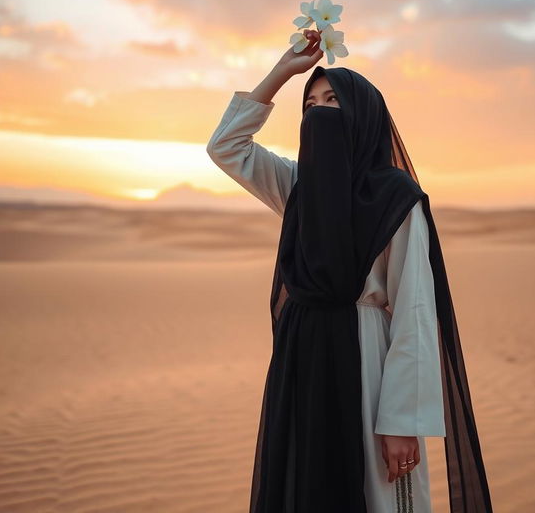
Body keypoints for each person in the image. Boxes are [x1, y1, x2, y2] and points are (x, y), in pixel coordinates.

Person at [206, 30, 493, 512]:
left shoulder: (395, 199)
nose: (318, 112)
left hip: (368, 365)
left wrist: (401, 420)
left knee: (379, 496)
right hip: (303, 364)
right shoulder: (301, 187)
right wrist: (282, 72)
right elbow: (227, 148)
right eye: (310, 104)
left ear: (362, 115)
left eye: (332, 100)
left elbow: (414, 309)